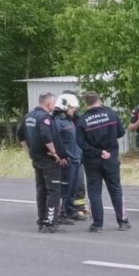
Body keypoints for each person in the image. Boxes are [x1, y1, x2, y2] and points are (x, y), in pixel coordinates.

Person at [77, 91, 130, 233]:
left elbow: (80, 143)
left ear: (85, 103)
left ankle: (97, 225)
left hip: (92, 160)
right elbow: (121, 132)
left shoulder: (82, 120)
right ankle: (123, 222)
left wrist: (98, 152)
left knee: (94, 192)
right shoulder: (111, 114)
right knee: (116, 189)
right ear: (99, 100)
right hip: (111, 157)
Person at [17, 92, 68, 233]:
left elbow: (20, 135)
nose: (55, 106)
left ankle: (42, 221)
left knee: (42, 190)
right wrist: (54, 153)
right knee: (53, 190)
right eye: (54, 103)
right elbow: (46, 136)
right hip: (48, 159)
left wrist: (29, 151)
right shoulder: (45, 118)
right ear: (48, 103)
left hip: (36, 158)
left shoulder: (28, 116)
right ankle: (50, 223)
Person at [53, 92, 82, 224]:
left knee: (73, 188)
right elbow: (54, 140)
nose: (74, 110)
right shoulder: (58, 122)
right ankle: (62, 213)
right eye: (72, 108)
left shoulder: (70, 120)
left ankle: (69, 210)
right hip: (67, 161)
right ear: (64, 107)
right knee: (65, 189)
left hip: (75, 159)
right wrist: (60, 155)